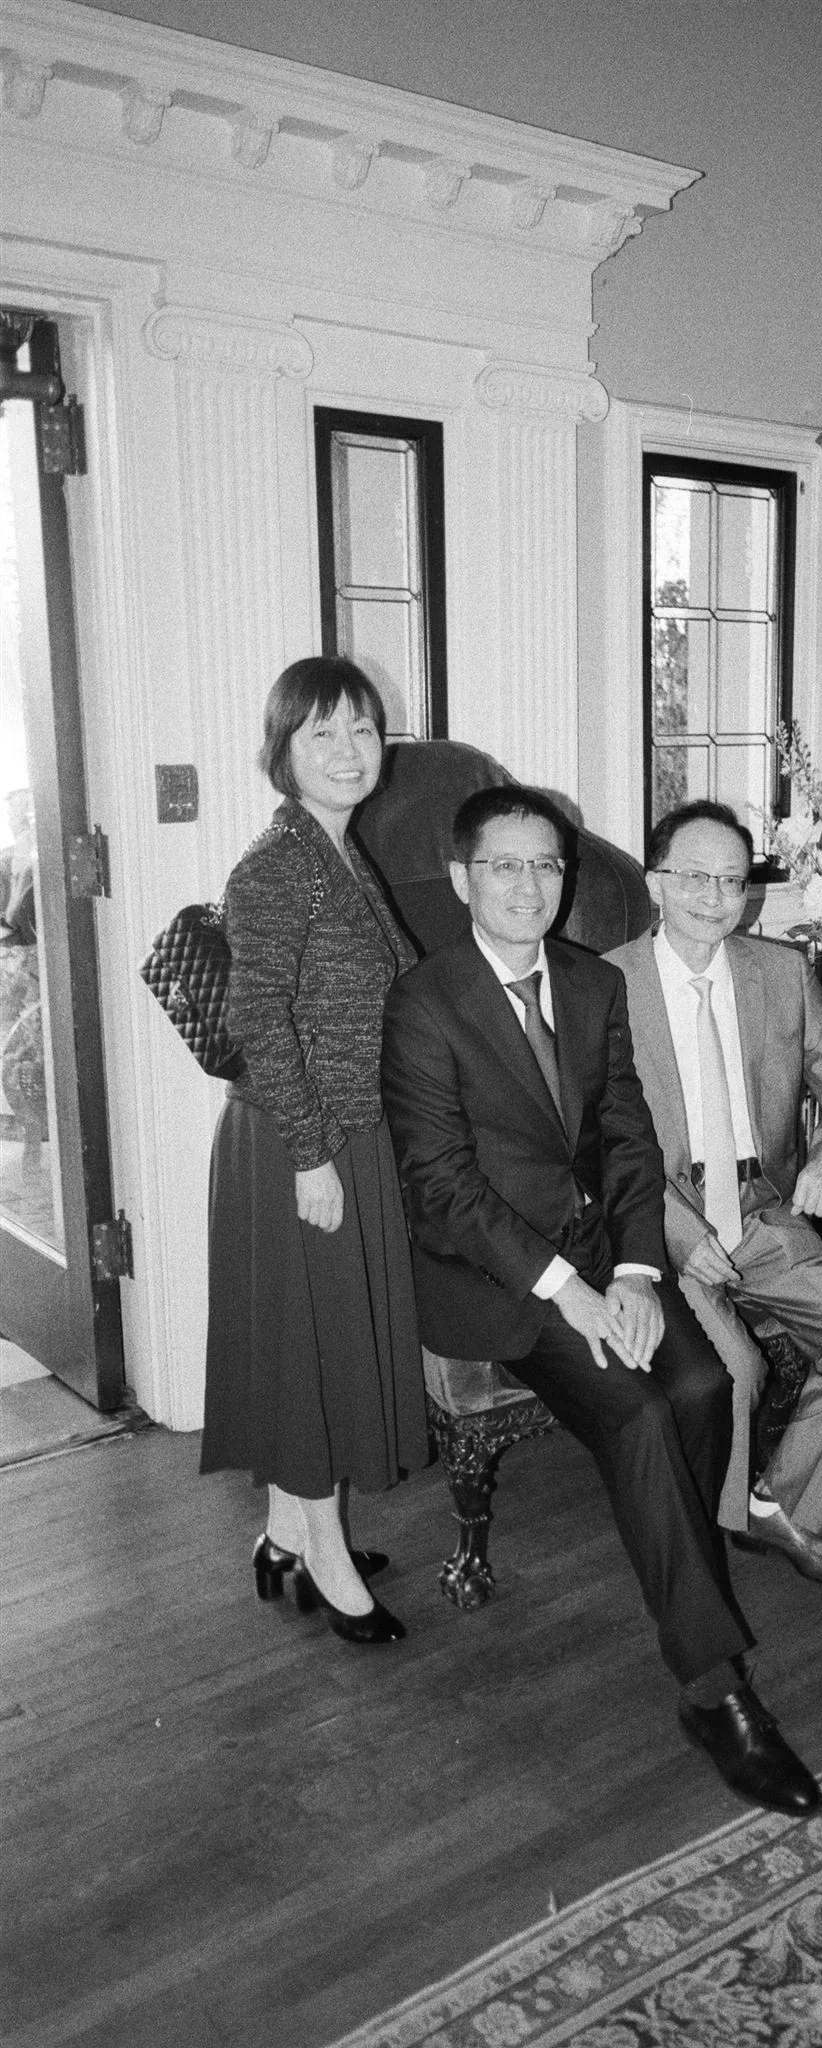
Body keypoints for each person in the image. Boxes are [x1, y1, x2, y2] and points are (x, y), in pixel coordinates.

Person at [381, 785, 822, 1816]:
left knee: (706, 1383)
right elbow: (442, 1185)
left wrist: (630, 1272)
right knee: (636, 1409)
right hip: (499, 1278)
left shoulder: (586, 982)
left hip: (602, 1258)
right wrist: (572, 1291)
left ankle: (682, 1565)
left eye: (546, 865)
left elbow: (627, 1142)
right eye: (504, 865)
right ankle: (714, 1689)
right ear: (462, 880)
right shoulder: (424, 1000)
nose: (528, 884)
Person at [608, 801, 822, 1591]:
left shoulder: (778, 972)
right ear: (656, 882)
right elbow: (585, 1141)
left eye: (732, 881)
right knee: (734, 1370)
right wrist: (669, 1231)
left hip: (761, 1206)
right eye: (695, 877)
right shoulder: (604, 984)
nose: (715, 897)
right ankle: (701, 1550)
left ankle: (774, 1507)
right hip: (658, 1212)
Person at [201, 657, 426, 1645]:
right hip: (302, 1141)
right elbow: (262, 1024)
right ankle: (329, 1561)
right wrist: (310, 1157)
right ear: (282, 751)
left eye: (364, 730)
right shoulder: (274, 867)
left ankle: (288, 1536)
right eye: (323, 733)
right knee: (315, 1353)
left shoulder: (342, 852)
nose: (348, 750)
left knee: (313, 1342)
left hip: (345, 1129)